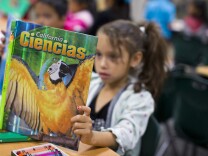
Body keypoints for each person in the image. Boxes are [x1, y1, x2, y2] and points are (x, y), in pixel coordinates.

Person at [71, 20, 167, 155]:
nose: (103, 64)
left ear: (135, 59)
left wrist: (92, 136)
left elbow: (125, 134)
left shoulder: (140, 98)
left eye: (113, 56)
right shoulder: (90, 81)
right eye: (98, 54)